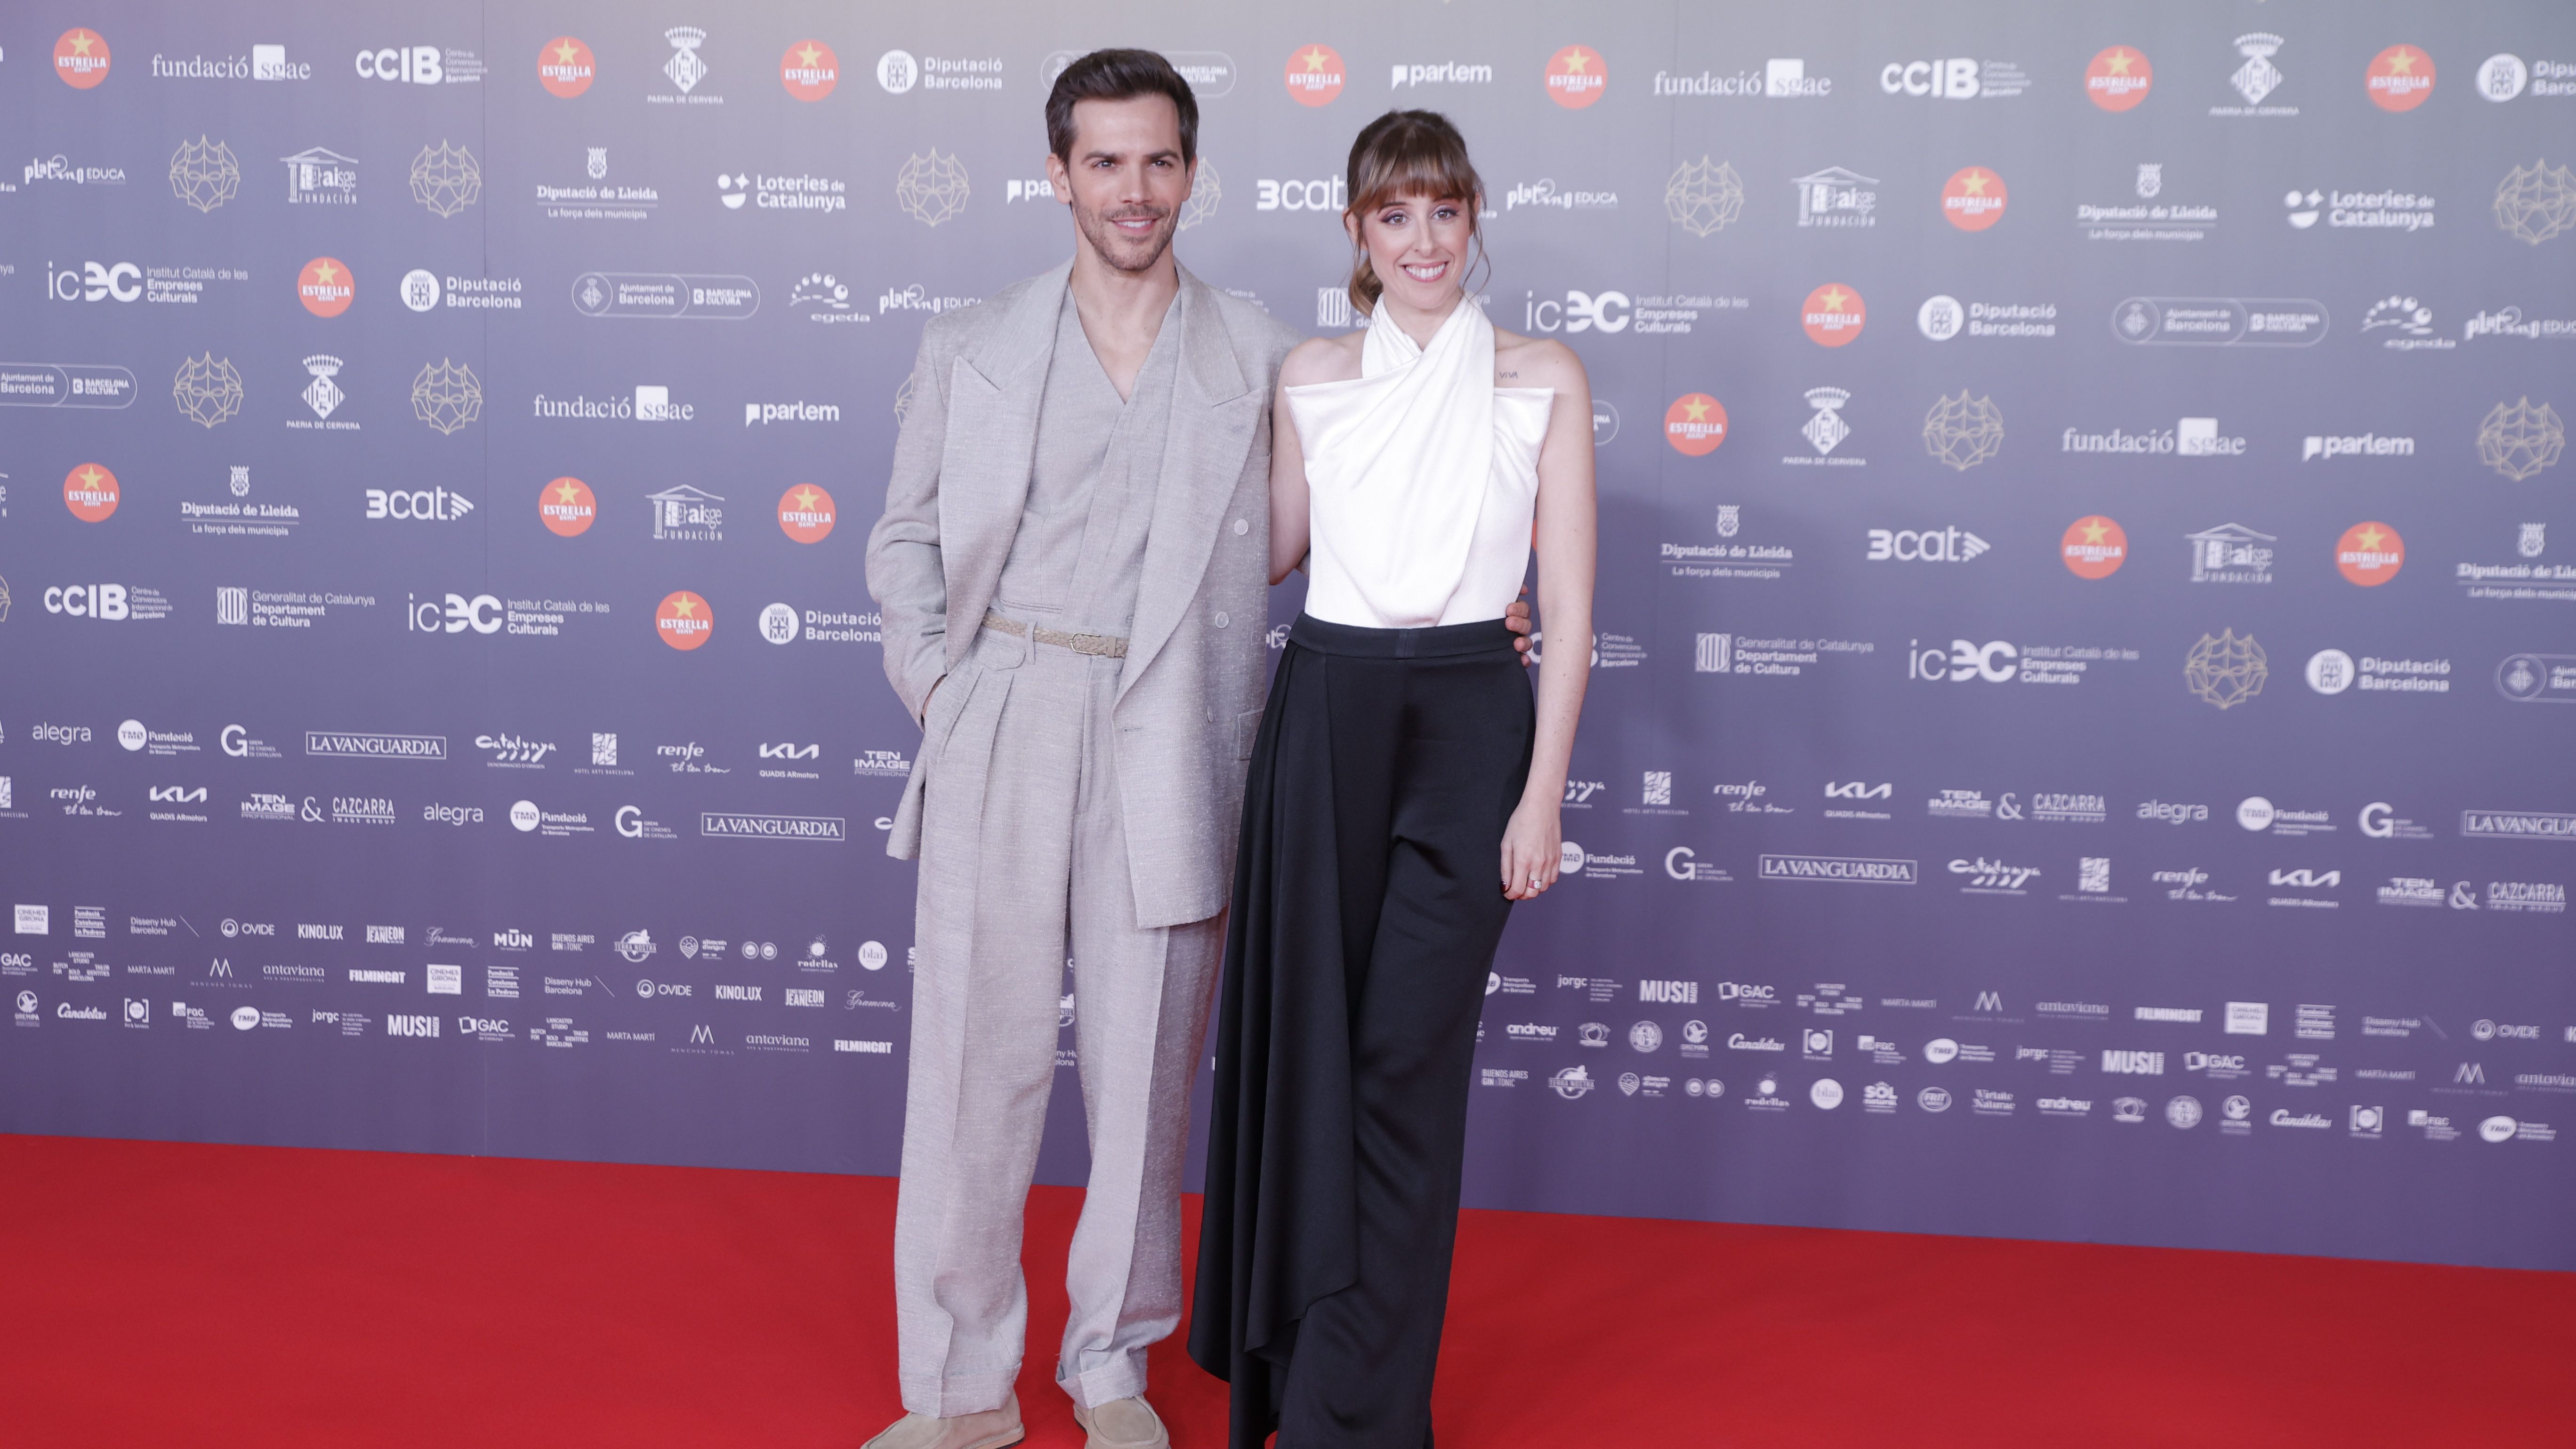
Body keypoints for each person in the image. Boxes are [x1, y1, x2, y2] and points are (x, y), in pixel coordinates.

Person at [861, 56, 1529, 1449]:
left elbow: (1340, 519)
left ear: (1193, 172)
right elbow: (906, 537)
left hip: (1171, 733)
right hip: (1005, 714)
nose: (1134, 190)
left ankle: (1109, 1362)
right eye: (1104, 163)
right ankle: (960, 1384)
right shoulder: (969, 343)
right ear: (1059, 175)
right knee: (975, 1065)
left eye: (1159, 162)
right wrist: (940, 687)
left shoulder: (1264, 356)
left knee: (1150, 1066)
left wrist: (1480, 592)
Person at [1190, 110, 1597, 1449]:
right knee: (1309, 1060)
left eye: (1444, 212)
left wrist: (1540, 797)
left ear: (1476, 218)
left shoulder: (1543, 376)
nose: (1423, 241)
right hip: (1327, 715)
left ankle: (1354, 1421)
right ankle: (1308, 1378)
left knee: (1403, 1075)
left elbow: (1574, 614)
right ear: (1358, 233)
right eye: (1394, 216)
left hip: (1475, 724)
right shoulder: (1313, 373)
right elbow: (1277, 551)